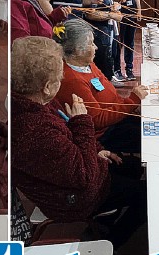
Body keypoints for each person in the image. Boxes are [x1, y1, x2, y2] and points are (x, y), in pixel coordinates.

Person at [11, 36, 146, 247]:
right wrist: (82, 121)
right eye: (59, 78)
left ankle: (107, 219)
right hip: (71, 199)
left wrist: (98, 149)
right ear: (47, 86)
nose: (62, 81)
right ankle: (112, 243)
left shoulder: (34, 103)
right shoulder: (35, 129)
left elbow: (69, 139)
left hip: (73, 174)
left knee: (132, 168)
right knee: (145, 196)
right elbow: (83, 176)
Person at [53, 19, 148, 163]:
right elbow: (97, 120)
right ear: (78, 50)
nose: (96, 47)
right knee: (148, 136)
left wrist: (129, 106)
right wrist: (132, 101)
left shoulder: (88, 64)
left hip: (116, 119)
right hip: (105, 133)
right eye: (91, 43)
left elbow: (110, 94)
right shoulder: (72, 80)